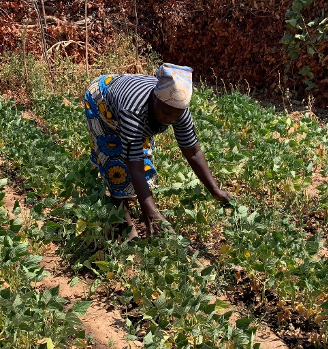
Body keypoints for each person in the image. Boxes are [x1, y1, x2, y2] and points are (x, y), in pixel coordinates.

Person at [83, 63, 231, 240]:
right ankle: (125, 222)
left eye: (174, 116)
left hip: (133, 105)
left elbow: (192, 151)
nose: (167, 119)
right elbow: (133, 165)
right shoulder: (133, 110)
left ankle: (149, 223)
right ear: (154, 98)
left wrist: (214, 190)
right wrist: (155, 212)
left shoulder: (178, 108)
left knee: (145, 164)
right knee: (116, 162)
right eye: (164, 112)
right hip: (102, 102)